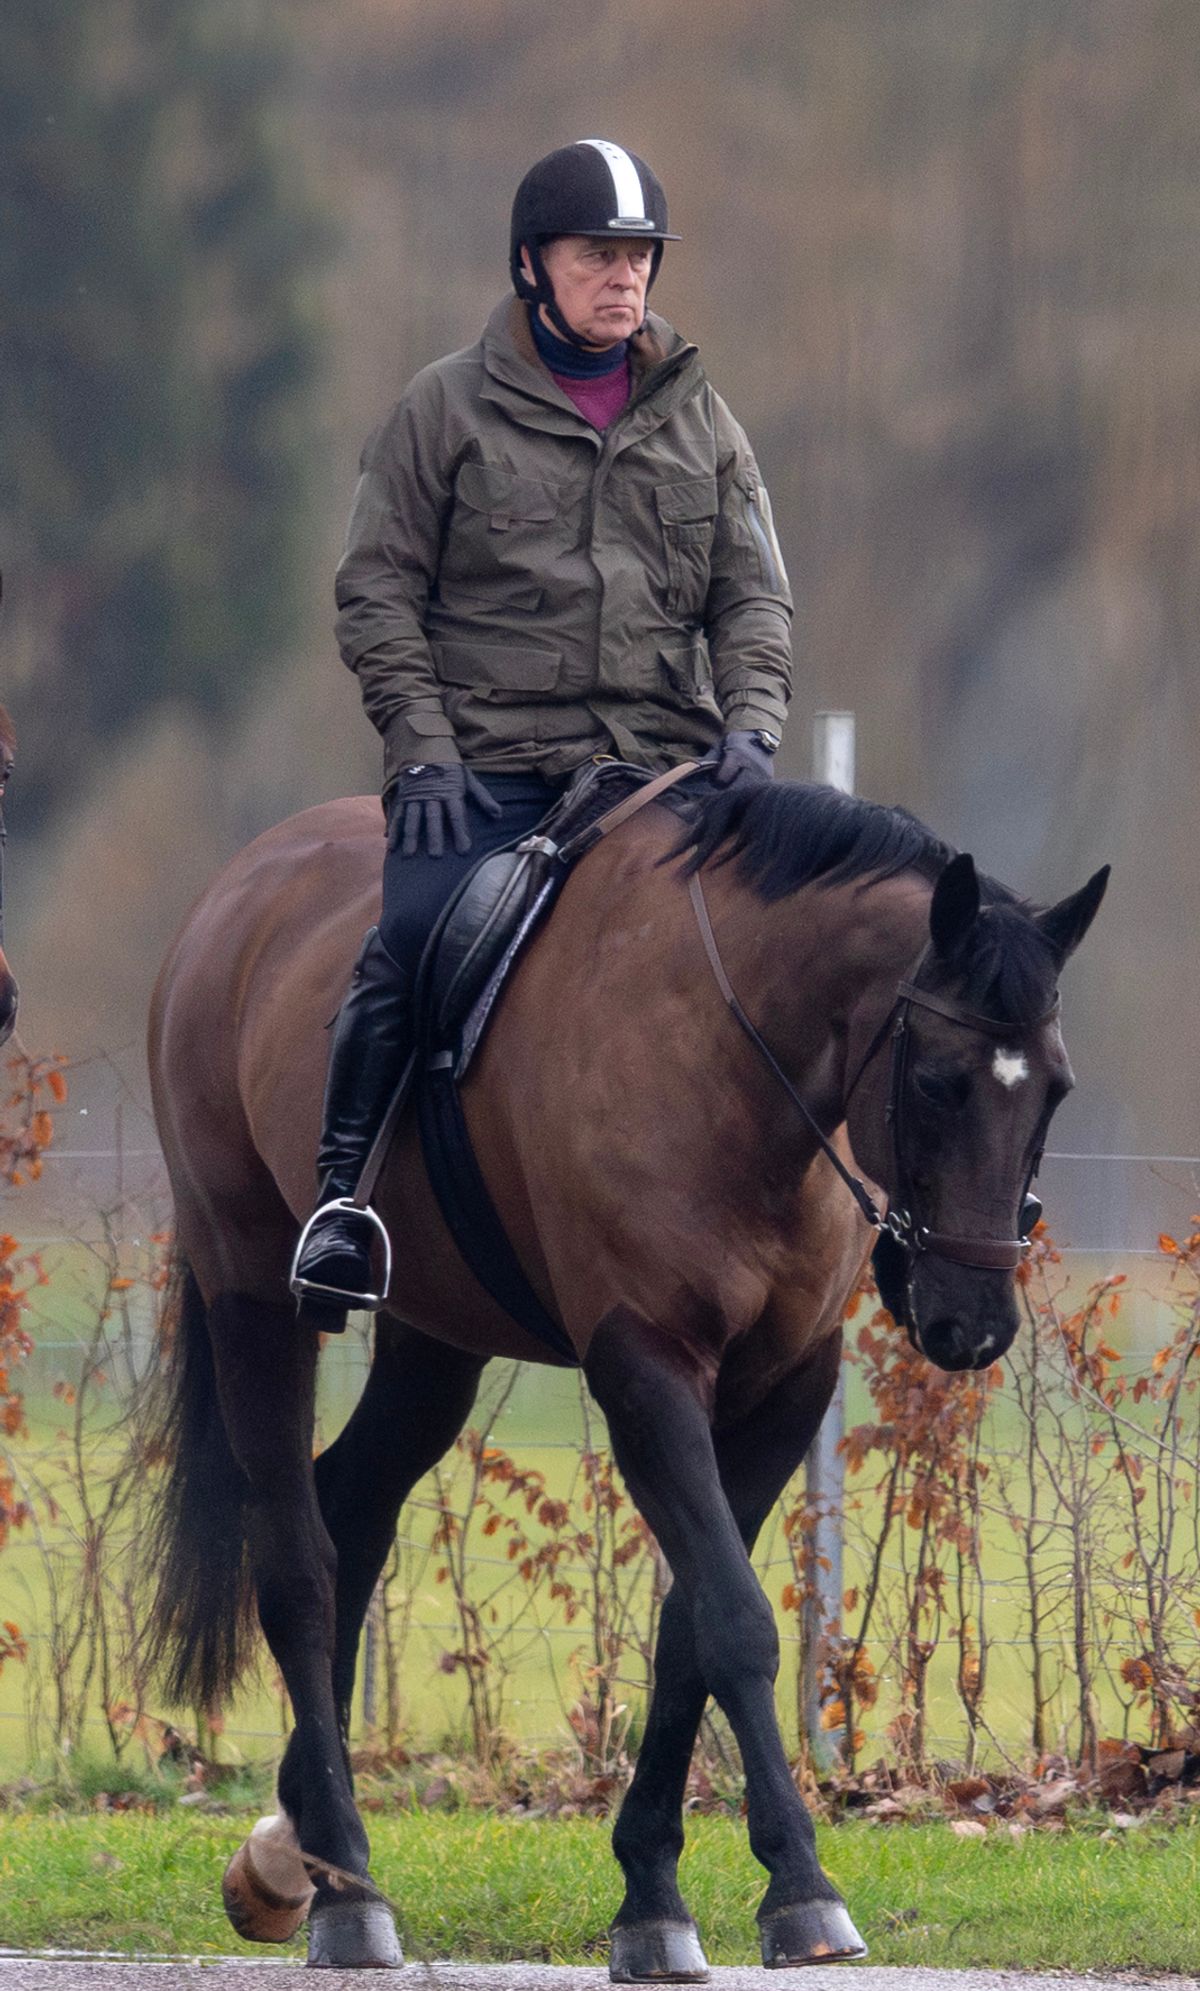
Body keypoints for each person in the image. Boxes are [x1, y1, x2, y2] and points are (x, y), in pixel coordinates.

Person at [290, 138, 794, 1324]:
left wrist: (752, 730)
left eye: (640, 257)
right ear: (532, 266)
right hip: (486, 773)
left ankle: (830, 1217)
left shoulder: (704, 419)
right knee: (410, 939)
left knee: (796, 943)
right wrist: (422, 745)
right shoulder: (442, 409)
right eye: (596, 256)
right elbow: (376, 591)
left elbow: (754, 599)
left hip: (665, 768)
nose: (625, 278)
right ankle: (340, 1204)